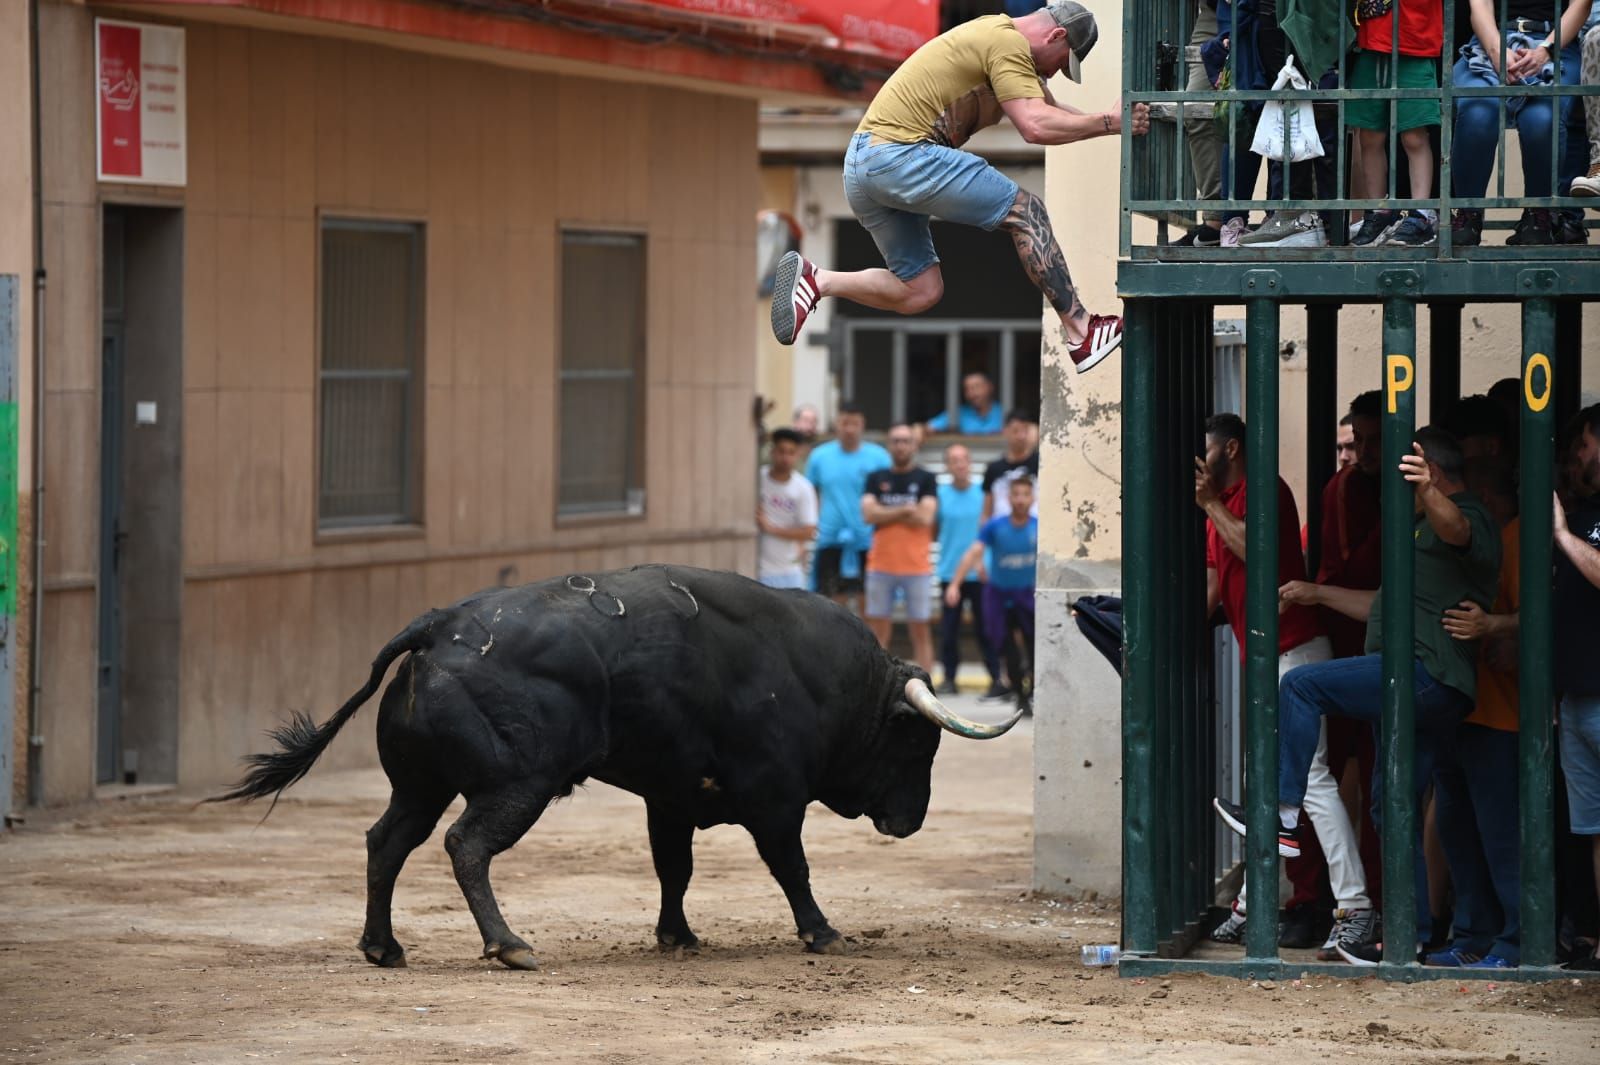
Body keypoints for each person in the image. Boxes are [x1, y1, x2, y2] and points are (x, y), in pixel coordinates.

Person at [1224, 427, 1501, 964]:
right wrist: (1316, 592)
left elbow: (1461, 529)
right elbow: (1379, 604)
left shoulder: (1463, 515)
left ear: (1431, 473)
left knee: (1299, 684)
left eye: (1409, 478)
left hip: (1422, 677)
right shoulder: (1419, 530)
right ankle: (1410, 934)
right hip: (1408, 682)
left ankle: (1279, 812)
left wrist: (1428, 492)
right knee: (1390, 805)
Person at [768, 2, 1150, 373]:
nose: (1056, 72)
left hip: (864, 166)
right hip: (900, 154)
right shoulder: (1008, 45)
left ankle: (818, 280)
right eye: (1063, 61)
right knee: (1026, 211)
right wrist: (1109, 123)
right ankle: (1082, 331)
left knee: (920, 290)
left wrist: (1112, 122)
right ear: (1056, 35)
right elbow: (1034, 126)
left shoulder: (1000, 42)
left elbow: (1049, 112)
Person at [1193, 414, 1352, 950]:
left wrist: (1210, 505)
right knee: (1269, 786)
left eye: (1208, 450)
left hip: (1295, 652)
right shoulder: (1219, 504)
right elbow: (1213, 590)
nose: (1201, 461)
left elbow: (1257, 551)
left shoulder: (1263, 490)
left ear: (1231, 448)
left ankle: (1354, 906)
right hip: (1265, 656)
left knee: (1311, 780)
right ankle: (1253, 902)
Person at [1430, 457, 1523, 968]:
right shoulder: (1462, 546)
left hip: (1500, 714)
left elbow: (1544, 611)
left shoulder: (1513, 539)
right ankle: (1471, 937)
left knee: (1501, 837)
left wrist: (1495, 627)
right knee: (1459, 833)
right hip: (1458, 710)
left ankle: (1514, 942)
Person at [1450, 0, 1591, 246]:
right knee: (1478, 112)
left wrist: (1546, 50)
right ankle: (1468, 213)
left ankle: (1539, 214)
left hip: (1556, 43)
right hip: (1491, 40)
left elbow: (1581, 5)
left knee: (1542, 119)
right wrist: (1497, 52)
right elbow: (1479, 6)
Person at [1554, 404, 1600, 971]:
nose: (1577, 457)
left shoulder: (1574, 522)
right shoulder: (1584, 508)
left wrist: (1562, 534)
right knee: (1592, 831)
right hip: (1575, 701)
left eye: (1585, 445)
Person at [1348, 0, 1444, 247]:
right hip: (1371, 43)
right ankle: (1379, 211)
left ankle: (1421, 214)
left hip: (1415, 42)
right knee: (1370, 135)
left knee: (1414, 135)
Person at [947, 475, 1039, 714]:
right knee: (1008, 650)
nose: (1020, 500)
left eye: (1024, 495)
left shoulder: (1039, 527)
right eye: (1016, 495)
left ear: (1032, 498)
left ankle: (1032, 689)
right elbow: (973, 552)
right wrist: (955, 584)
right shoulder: (995, 526)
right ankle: (1020, 697)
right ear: (1009, 498)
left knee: (1034, 648)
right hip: (999, 596)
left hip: (1027, 596)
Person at [861, 424, 940, 671]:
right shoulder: (876, 478)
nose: (901, 445)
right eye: (895, 441)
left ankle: (928, 686)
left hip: (916, 566)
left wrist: (885, 513)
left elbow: (926, 517)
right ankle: (876, 682)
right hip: (880, 565)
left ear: (914, 445)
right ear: (889, 445)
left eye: (906, 441)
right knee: (878, 630)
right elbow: (868, 514)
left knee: (920, 629)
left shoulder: (926, 478)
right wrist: (905, 509)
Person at [806, 404, 891, 609]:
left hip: (868, 541)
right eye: (845, 423)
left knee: (869, 602)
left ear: (863, 425)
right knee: (829, 603)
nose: (850, 429)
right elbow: (810, 493)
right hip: (830, 540)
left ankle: (868, 642)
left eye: (855, 423)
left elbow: (888, 497)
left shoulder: (879, 457)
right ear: (837, 424)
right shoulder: (819, 456)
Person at [935, 444, 1004, 696]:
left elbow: (993, 533)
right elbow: (933, 530)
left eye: (964, 459)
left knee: (986, 629)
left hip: (981, 573)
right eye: (954, 460)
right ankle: (950, 679)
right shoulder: (940, 495)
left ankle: (997, 679)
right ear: (947, 466)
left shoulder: (982, 495)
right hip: (949, 573)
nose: (960, 464)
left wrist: (987, 561)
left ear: (971, 462)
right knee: (948, 632)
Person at [756, 428, 820, 590]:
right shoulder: (757, 479)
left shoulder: (803, 488)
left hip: (789, 571)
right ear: (772, 452)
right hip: (758, 570)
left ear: (797, 455)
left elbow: (809, 531)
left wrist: (771, 528)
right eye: (781, 451)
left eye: (791, 453)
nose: (785, 458)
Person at [982, 410, 1041, 523]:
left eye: (1025, 430)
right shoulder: (994, 468)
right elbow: (987, 512)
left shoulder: (1041, 463)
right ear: (1005, 431)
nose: (1021, 436)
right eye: (1016, 431)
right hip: (1000, 537)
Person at [927, 372, 1004, 435]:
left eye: (976, 387)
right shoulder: (958, 413)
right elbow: (929, 427)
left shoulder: (1003, 412)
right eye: (967, 389)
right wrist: (919, 430)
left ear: (990, 387)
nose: (972, 393)